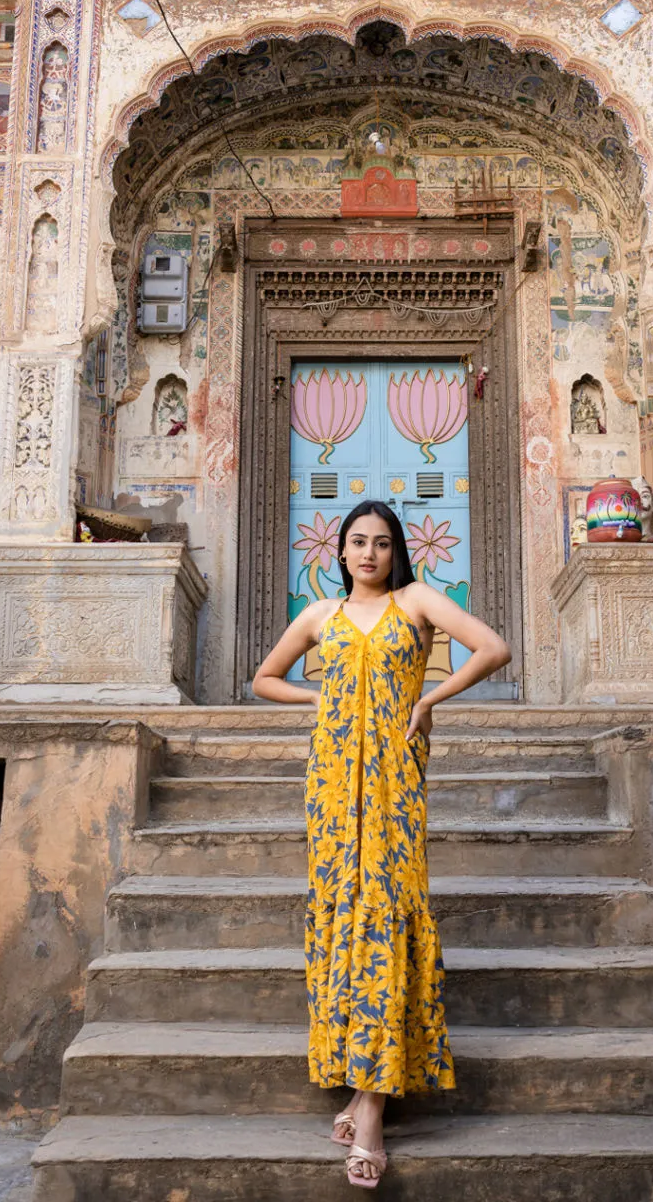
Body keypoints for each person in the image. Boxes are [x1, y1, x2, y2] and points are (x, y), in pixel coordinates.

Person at [252, 500, 511, 1189]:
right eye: (358, 542)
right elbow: (263, 679)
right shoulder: (318, 618)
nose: (369, 553)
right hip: (332, 783)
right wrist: (321, 700)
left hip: (394, 781)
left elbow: (492, 647)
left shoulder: (417, 600)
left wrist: (429, 699)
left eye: (382, 543)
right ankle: (362, 1086)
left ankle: (369, 1104)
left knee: (386, 915)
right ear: (339, 553)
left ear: (397, 552)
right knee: (343, 915)